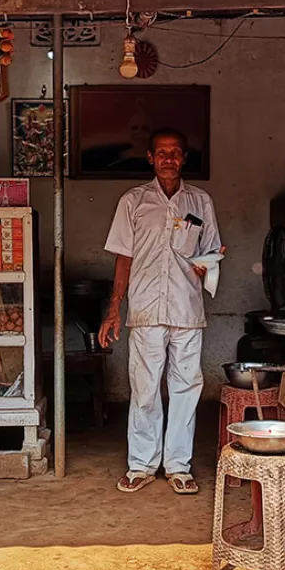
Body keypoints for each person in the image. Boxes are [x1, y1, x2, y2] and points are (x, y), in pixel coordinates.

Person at [98, 128, 223, 495]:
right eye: (162, 152)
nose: (169, 158)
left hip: (186, 310)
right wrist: (114, 309)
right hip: (146, 309)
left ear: (184, 158)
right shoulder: (133, 201)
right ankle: (141, 464)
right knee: (145, 389)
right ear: (150, 158)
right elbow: (124, 258)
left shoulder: (200, 203)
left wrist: (208, 265)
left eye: (176, 152)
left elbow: (212, 251)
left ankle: (178, 466)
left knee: (186, 389)